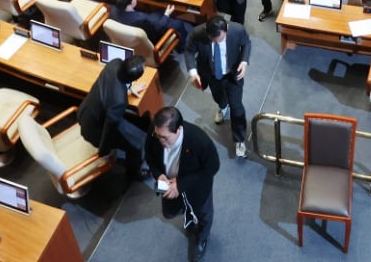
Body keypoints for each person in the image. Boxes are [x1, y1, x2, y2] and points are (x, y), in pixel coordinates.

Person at [143, 106, 220, 262]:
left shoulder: (199, 141)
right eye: (158, 136)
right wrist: (159, 175)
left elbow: (212, 167)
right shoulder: (156, 131)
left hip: (196, 189)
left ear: (178, 129)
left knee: (203, 215)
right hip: (167, 184)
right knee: (169, 212)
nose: (160, 140)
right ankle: (188, 216)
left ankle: (202, 238)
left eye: (165, 137)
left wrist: (181, 184)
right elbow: (149, 155)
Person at [184, 17, 250, 159]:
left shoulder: (237, 30)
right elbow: (189, 51)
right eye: (213, 40)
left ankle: (239, 140)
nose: (217, 42)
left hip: (233, 75)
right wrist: (193, 72)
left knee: (237, 108)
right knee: (219, 97)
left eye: (220, 39)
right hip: (211, 75)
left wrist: (244, 62)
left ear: (226, 28)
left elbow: (246, 44)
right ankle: (222, 105)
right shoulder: (197, 33)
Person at [78, 54, 150, 182]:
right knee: (137, 144)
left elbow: (109, 86)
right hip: (95, 128)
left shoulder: (114, 64)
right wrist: (103, 150)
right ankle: (133, 173)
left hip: (85, 111)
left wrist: (127, 88)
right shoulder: (119, 102)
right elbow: (109, 127)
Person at [110, 0, 191, 45]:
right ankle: (182, 46)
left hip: (131, 32)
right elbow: (157, 30)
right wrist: (167, 14)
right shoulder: (141, 20)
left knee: (157, 14)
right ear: (128, 5)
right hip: (151, 37)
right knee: (178, 23)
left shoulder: (113, 9)